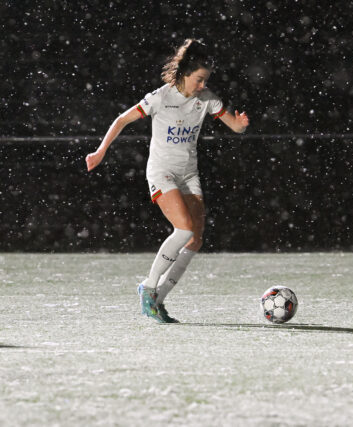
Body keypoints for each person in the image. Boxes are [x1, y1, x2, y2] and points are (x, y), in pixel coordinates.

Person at [86, 38, 249, 323]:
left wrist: (240, 124)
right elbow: (122, 120)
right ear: (185, 73)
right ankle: (148, 287)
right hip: (162, 171)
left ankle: (158, 300)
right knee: (184, 230)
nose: (202, 86)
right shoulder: (160, 97)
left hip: (189, 173)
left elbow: (233, 126)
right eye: (199, 80)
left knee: (195, 240)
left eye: (205, 81)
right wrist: (100, 151)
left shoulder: (206, 99)